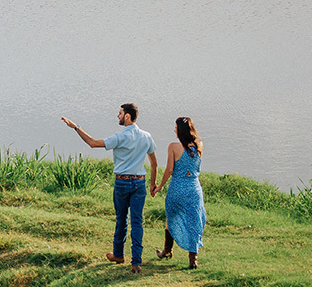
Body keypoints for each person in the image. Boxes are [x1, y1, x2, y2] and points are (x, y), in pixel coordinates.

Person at [61, 103, 157, 273]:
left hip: (122, 182)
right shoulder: (147, 136)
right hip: (140, 183)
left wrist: (75, 127)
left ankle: (119, 255)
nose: (117, 116)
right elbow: (154, 163)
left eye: (120, 113)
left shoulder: (120, 137)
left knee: (121, 219)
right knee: (137, 222)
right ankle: (136, 262)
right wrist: (152, 184)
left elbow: (92, 143)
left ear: (127, 116)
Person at [152, 116, 207, 269]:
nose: (174, 130)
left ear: (180, 130)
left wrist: (160, 186)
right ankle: (193, 258)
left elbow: (169, 170)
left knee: (171, 217)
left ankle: (167, 251)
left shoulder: (173, 147)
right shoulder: (200, 145)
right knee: (195, 220)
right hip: (194, 188)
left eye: (175, 127)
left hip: (177, 188)